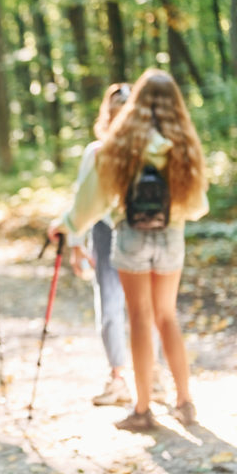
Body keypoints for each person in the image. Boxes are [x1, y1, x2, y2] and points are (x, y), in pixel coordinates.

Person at [49, 68, 209, 431]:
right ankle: (185, 403)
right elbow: (198, 205)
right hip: (170, 236)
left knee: (138, 317)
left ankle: (142, 409)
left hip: (130, 235)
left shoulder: (120, 146)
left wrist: (67, 225)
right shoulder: (183, 145)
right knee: (166, 316)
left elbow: (91, 202)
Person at [68, 83, 133, 406]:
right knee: (110, 307)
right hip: (105, 234)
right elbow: (82, 198)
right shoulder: (95, 151)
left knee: (143, 307)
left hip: (137, 233)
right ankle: (118, 376)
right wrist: (76, 243)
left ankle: (154, 375)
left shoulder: (146, 148)